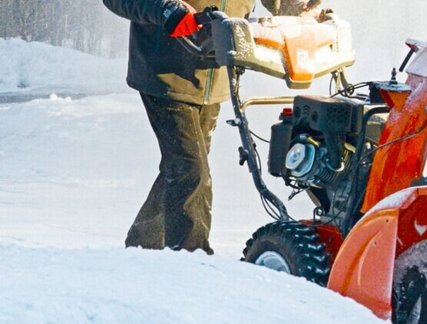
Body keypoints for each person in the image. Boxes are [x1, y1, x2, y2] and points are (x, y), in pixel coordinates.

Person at [103, 0, 322, 255]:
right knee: (190, 167)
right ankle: (190, 255)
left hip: (215, 72)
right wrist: (165, 9)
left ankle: (143, 244)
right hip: (164, 74)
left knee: (184, 167)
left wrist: (301, 9)